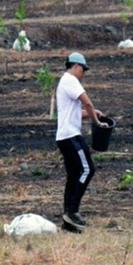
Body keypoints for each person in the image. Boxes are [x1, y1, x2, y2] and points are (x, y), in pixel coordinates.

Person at [56, 52, 107, 230]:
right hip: (71, 136)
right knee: (87, 169)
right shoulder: (71, 80)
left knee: (73, 176)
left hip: (63, 136)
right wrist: (97, 122)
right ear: (76, 66)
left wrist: (93, 114)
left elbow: (77, 112)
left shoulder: (64, 82)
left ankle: (67, 223)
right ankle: (72, 211)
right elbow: (88, 104)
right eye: (83, 70)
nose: (83, 74)